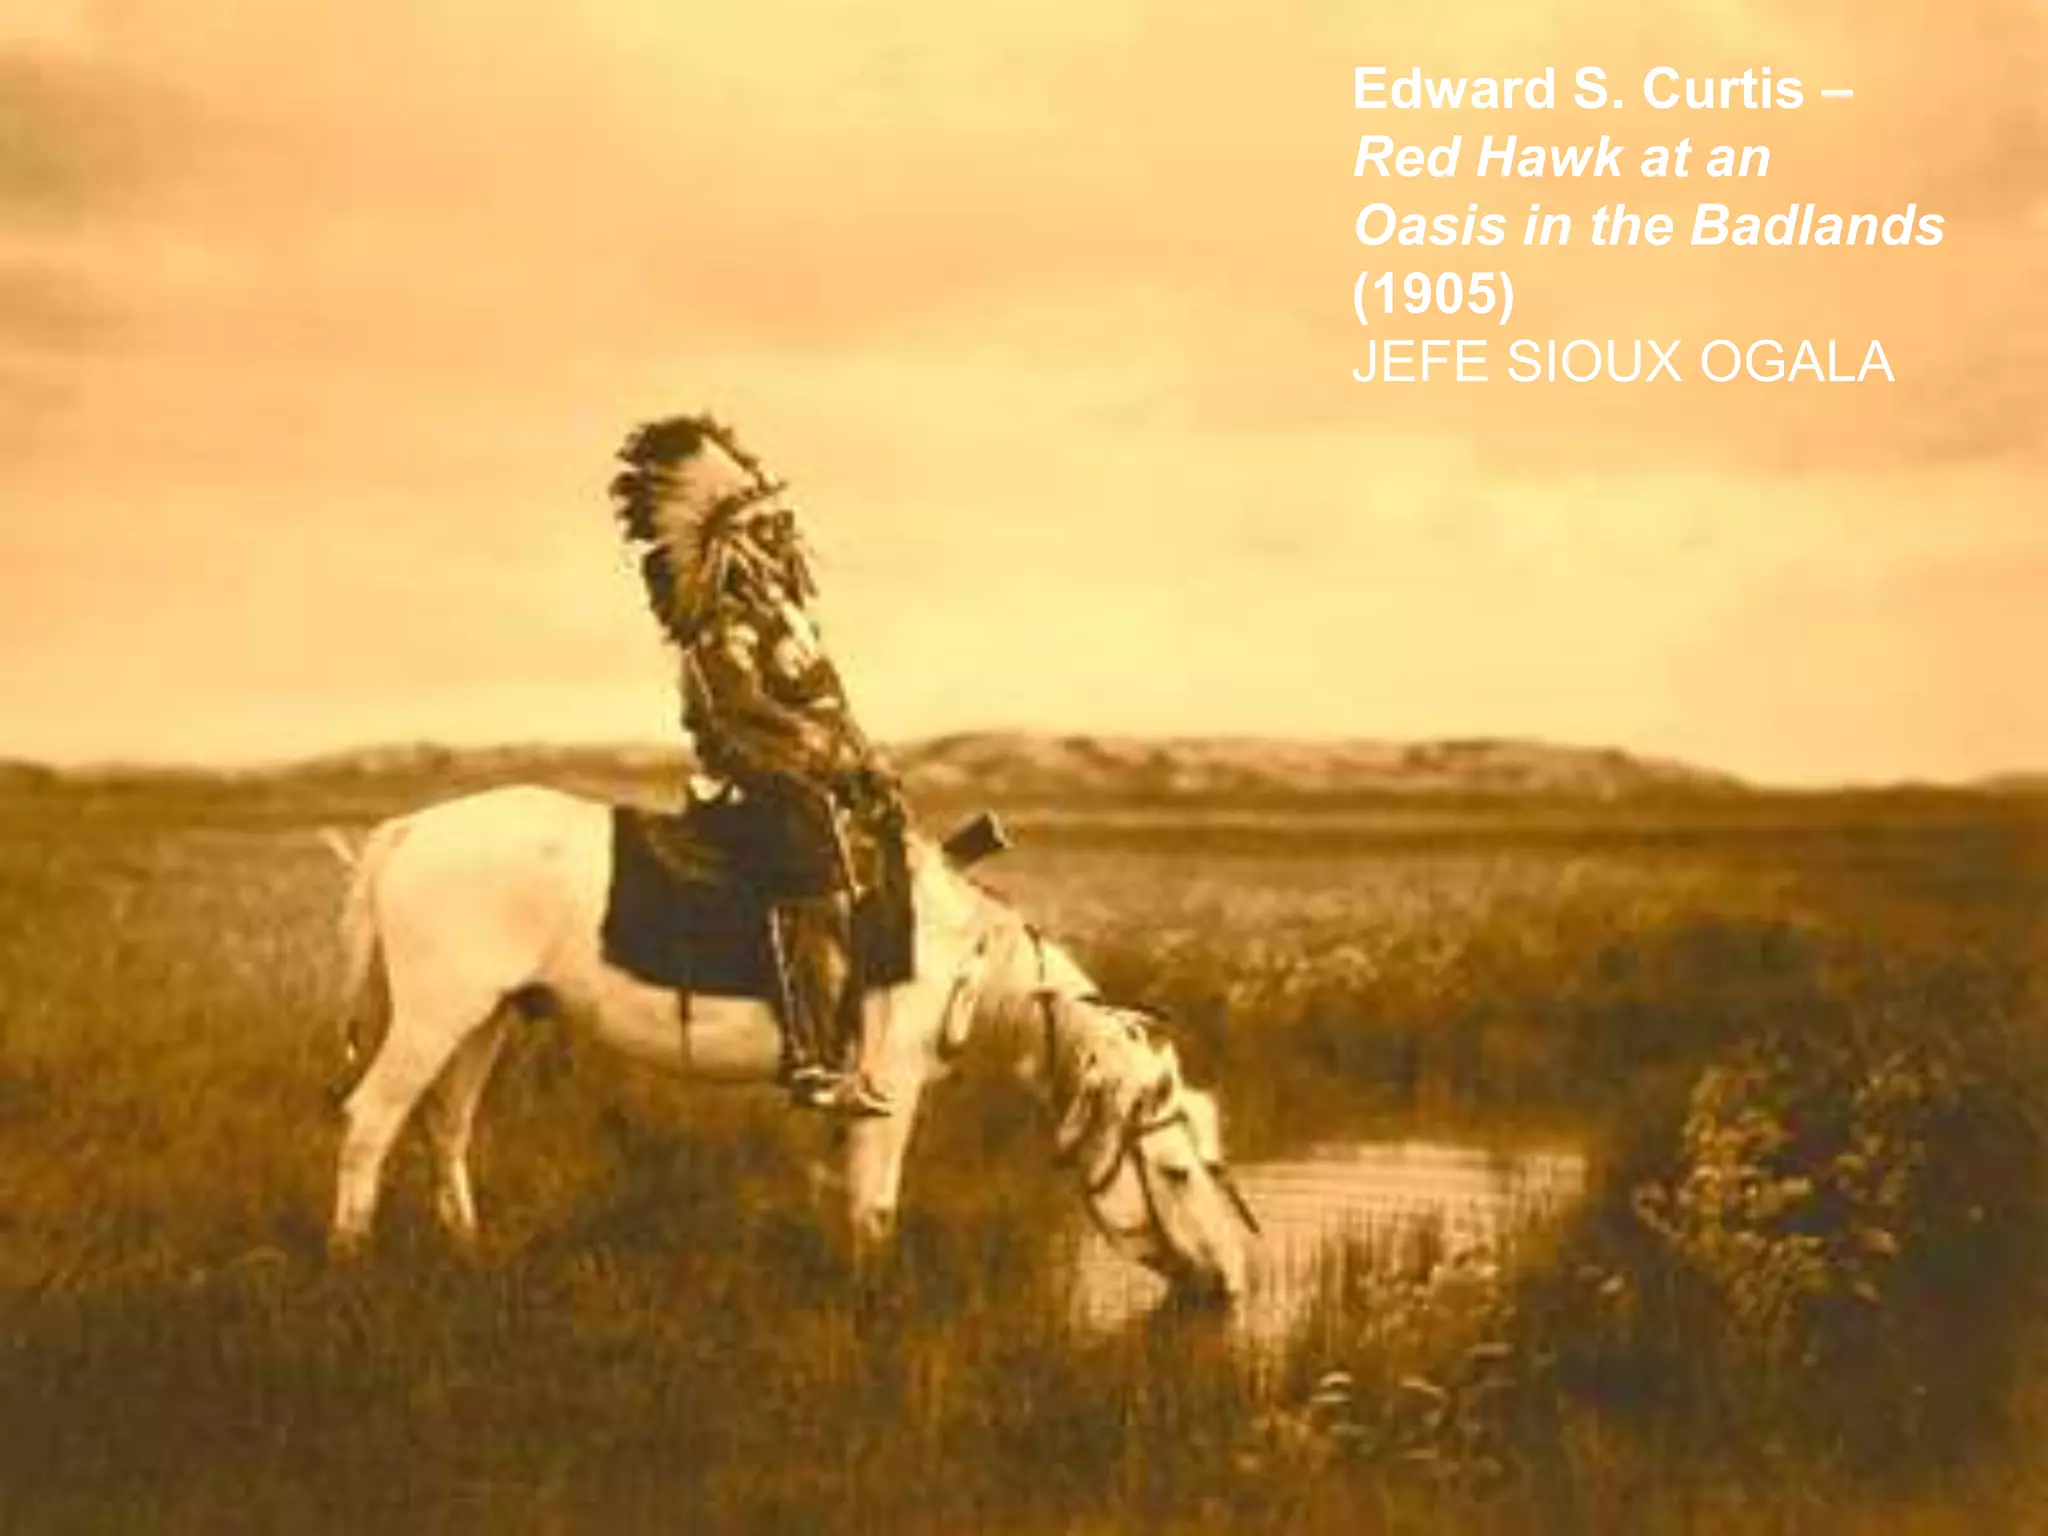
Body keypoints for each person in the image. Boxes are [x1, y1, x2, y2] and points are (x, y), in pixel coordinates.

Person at [610, 414, 900, 1116]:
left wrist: (866, 763)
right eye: (765, 525)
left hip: (812, 775)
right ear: (734, 543)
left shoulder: (789, 619)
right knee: (816, 877)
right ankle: (813, 1057)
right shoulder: (721, 630)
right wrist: (822, 767)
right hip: (754, 788)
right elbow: (740, 726)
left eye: (782, 520)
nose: (783, 533)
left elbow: (829, 703)